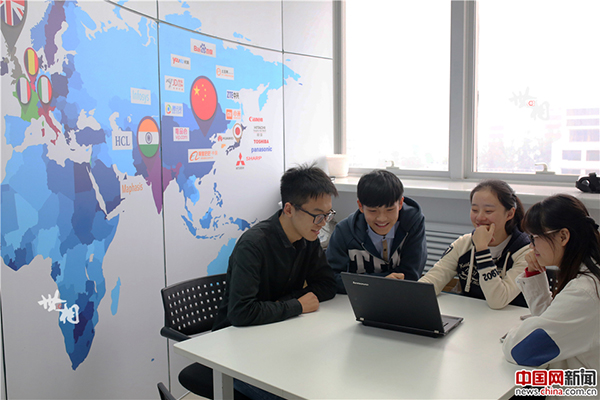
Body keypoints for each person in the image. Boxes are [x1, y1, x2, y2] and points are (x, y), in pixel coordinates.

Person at [502, 194, 600, 376]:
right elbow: (551, 321)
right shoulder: (589, 274)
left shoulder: (584, 292)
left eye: (534, 238)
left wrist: (516, 332)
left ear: (563, 236)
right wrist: (534, 273)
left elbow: (521, 350)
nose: (531, 247)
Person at [420, 179, 530, 309]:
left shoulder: (526, 252)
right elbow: (432, 280)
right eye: (475, 210)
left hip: (511, 318)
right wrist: (409, 292)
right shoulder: (463, 244)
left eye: (488, 211)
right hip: (471, 315)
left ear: (510, 214)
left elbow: (497, 301)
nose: (479, 217)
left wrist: (482, 249)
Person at [326, 169, 427, 294]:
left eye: (390, 210)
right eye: (373, 211)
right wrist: (381, 282)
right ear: (360, 206)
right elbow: (330, 278)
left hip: (399, 296)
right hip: (356, 299)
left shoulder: (413, 224)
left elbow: (411, 275)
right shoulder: (343, 231)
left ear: (400, 203)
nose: (382, 218)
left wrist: (366, 282)